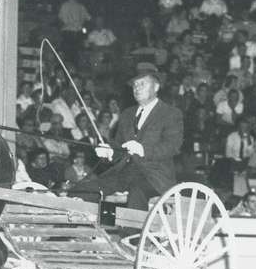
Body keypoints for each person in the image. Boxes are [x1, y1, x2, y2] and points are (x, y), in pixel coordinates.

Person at [69, 63, 184, 209]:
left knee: (137, 192)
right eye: (135, 85)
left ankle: (130, 232)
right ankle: (84, 230)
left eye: (142, 84)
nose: (137, 88)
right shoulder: (127, 114)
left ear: (156, 87)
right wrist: (110, 152)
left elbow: (172, 146)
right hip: (124, 174)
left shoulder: (170, 114)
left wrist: (142, 149)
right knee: (81, 190)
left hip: (154, 177)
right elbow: (119, 147)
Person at [57, 0, 90, 66]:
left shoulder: (66, 5)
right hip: (76, 34)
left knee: (69, 55)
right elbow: (88, 19)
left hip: (68, 34)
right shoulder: (81, 6)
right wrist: (83, 29)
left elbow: (60, 20)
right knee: (75, 55)